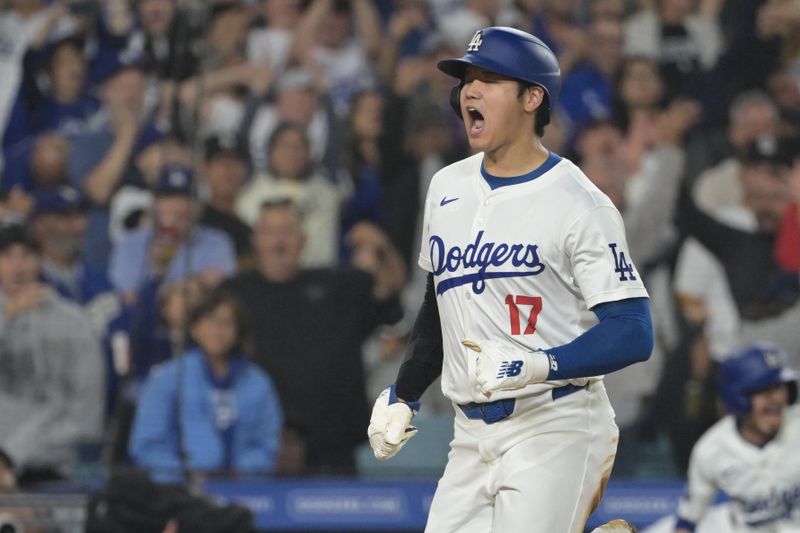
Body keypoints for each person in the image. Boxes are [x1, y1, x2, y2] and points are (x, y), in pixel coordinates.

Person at [366, 27, 653, 533]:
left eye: (489, 79)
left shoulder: (579, 203)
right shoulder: (447, 186)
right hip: (470, 433)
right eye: (467, 80)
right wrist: (404, 393)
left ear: (532, 97)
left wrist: (540, 364)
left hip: (556, 421)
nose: (469, 91)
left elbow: (634, 328)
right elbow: (439, 305)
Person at [222, 198, 404, 474]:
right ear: (255, 240)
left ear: (303, 239)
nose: (279, 241)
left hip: (334, 444)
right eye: (270, 231)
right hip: (257, 444)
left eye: (287, 231)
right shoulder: (232, 293)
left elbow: (390, 288)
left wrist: (382, 247)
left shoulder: (338, 284)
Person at [129, 289, 283, 483]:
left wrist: (243, 473)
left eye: (227, 323)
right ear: (194, 328)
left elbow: (267, 443)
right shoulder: (169, 378)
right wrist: (183, 475)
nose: (218, 330)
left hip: (247, 491)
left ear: (238, 331)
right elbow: (147, 445)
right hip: (178, 491)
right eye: (210, 321)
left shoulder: (258, 382)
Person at [0, 224, 104, 485]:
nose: (17, 266)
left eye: (25, 255)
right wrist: (6, 318)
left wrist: (14, 455)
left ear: (39, 260)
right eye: (7, 256)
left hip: (53, 465)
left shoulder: (74, 322)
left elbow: (87, 414)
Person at [673, 343, 799, 532]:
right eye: (764, 390)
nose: (776, 398)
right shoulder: (712, 449)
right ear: (738, 399)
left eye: (779, 387)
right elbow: (687, 520)